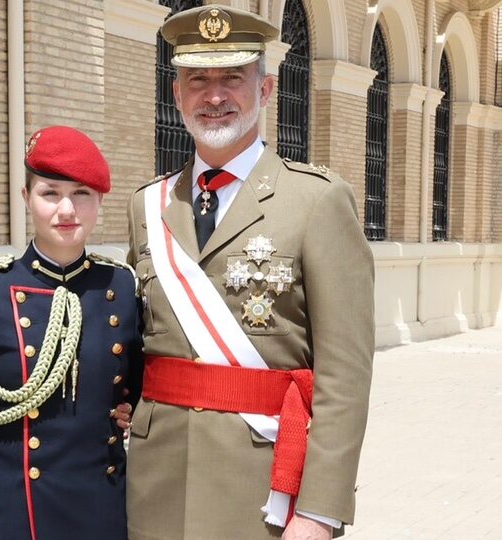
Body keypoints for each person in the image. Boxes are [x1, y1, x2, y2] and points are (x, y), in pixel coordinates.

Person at [126, 6, 375, 540]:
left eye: (233, 78)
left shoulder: (317, 201)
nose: (214, 96)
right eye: (198, 80)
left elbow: (345, 378)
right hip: (155, 481)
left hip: (260, 485)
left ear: (264, 91)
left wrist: (320, 511)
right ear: (176, 94)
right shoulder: (146, 204)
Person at [0, 126, 143, 540]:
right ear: (26, 199)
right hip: (9, 506)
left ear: (99, 201)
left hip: (101, 502)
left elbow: (140, 387)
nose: (67, 209)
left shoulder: (122, 287)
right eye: (50, 193)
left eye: (81, 193)